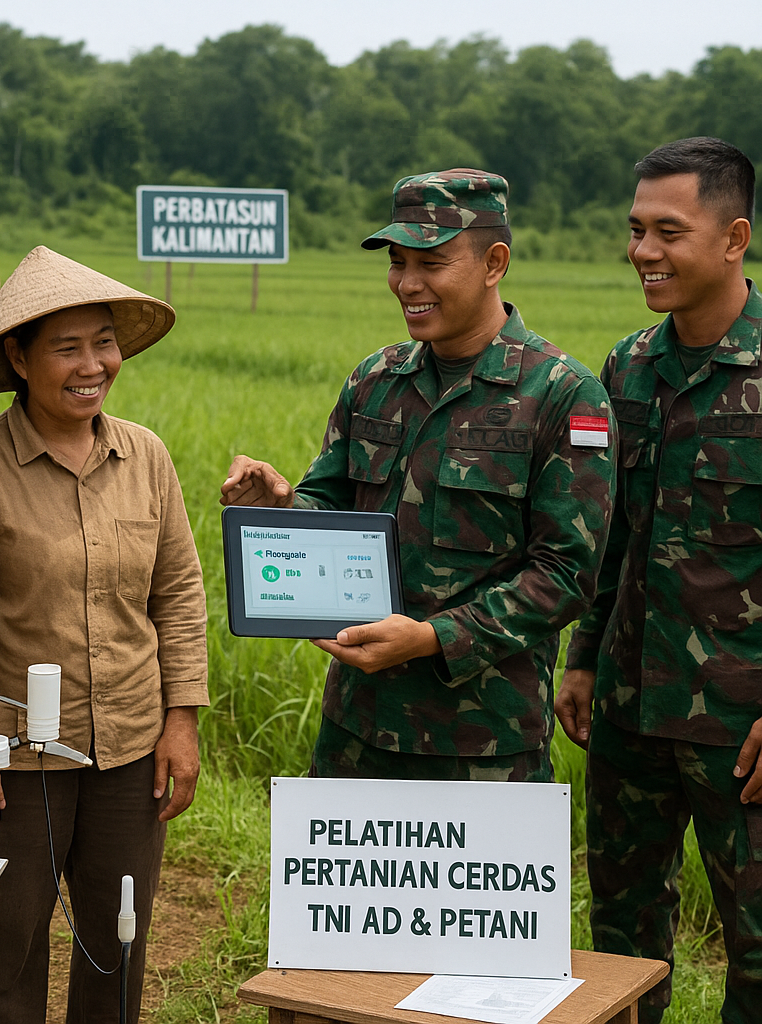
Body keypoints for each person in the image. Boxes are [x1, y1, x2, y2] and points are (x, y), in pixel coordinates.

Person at [222, 169, 616, 782]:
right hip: (358, 727)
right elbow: (331, 511)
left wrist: (433, 638)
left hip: (487, 741)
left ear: (494, 262)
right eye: (398, 262)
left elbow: (566, 573)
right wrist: (282, 509)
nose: (407, 284)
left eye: (431, 263)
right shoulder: (375, 382)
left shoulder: (562, 395)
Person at [0, 245, 208, 1023]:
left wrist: (182, 717)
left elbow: (178, 593)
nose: (92, 363)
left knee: (118, 939)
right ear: (19, 358)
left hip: (130, 746)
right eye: (67, 347)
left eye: (104, 342)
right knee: (7, 940)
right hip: (19, 757)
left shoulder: (146, 456)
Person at [558, 137, 762, 1024]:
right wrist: (581, 658)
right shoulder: (628, 367)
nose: (643, 251)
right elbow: (613, 538)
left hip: (740, 730)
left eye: (667, 231)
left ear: (734, 238)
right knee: (620, 943)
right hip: (629, 709)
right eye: (636, 229)